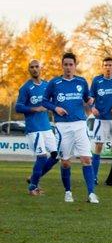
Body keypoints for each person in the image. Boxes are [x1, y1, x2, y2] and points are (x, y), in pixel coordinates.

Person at [42, 52, 99, 204]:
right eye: (65, 64)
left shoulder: (81, 81)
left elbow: (87, 99)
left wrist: (91, 104)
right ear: (62, 66)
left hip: (80, 124)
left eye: (71, 64)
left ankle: (91, 194)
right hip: (62, 126)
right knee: (65, 162)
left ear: (75, 65)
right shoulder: (54, 83)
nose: (68, 67)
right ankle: (68, 192)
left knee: (87, 159)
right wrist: (56, 108)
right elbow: (44, 101)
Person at [15, 60, 59, 195]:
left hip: (46, 127)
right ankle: (32, 187)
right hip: (34, 128)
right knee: (41, 157)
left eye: (36, 67)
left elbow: (53, 102)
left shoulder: (47, 85)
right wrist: (35, 108)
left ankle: (34, 178)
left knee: (56, 156)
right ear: (29, 70)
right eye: (31, 67)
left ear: (41, 68)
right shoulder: (25, 88)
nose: (34, 69)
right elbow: (18, 107)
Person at [89, 57, 112, 184]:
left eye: (110, 65)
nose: (108, 67)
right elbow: (91, 98)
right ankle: (94, 177)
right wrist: (92, 107)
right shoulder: (96, 80)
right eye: (105, 65)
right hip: (101, 119)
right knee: (98, 146)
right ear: (102, 67)